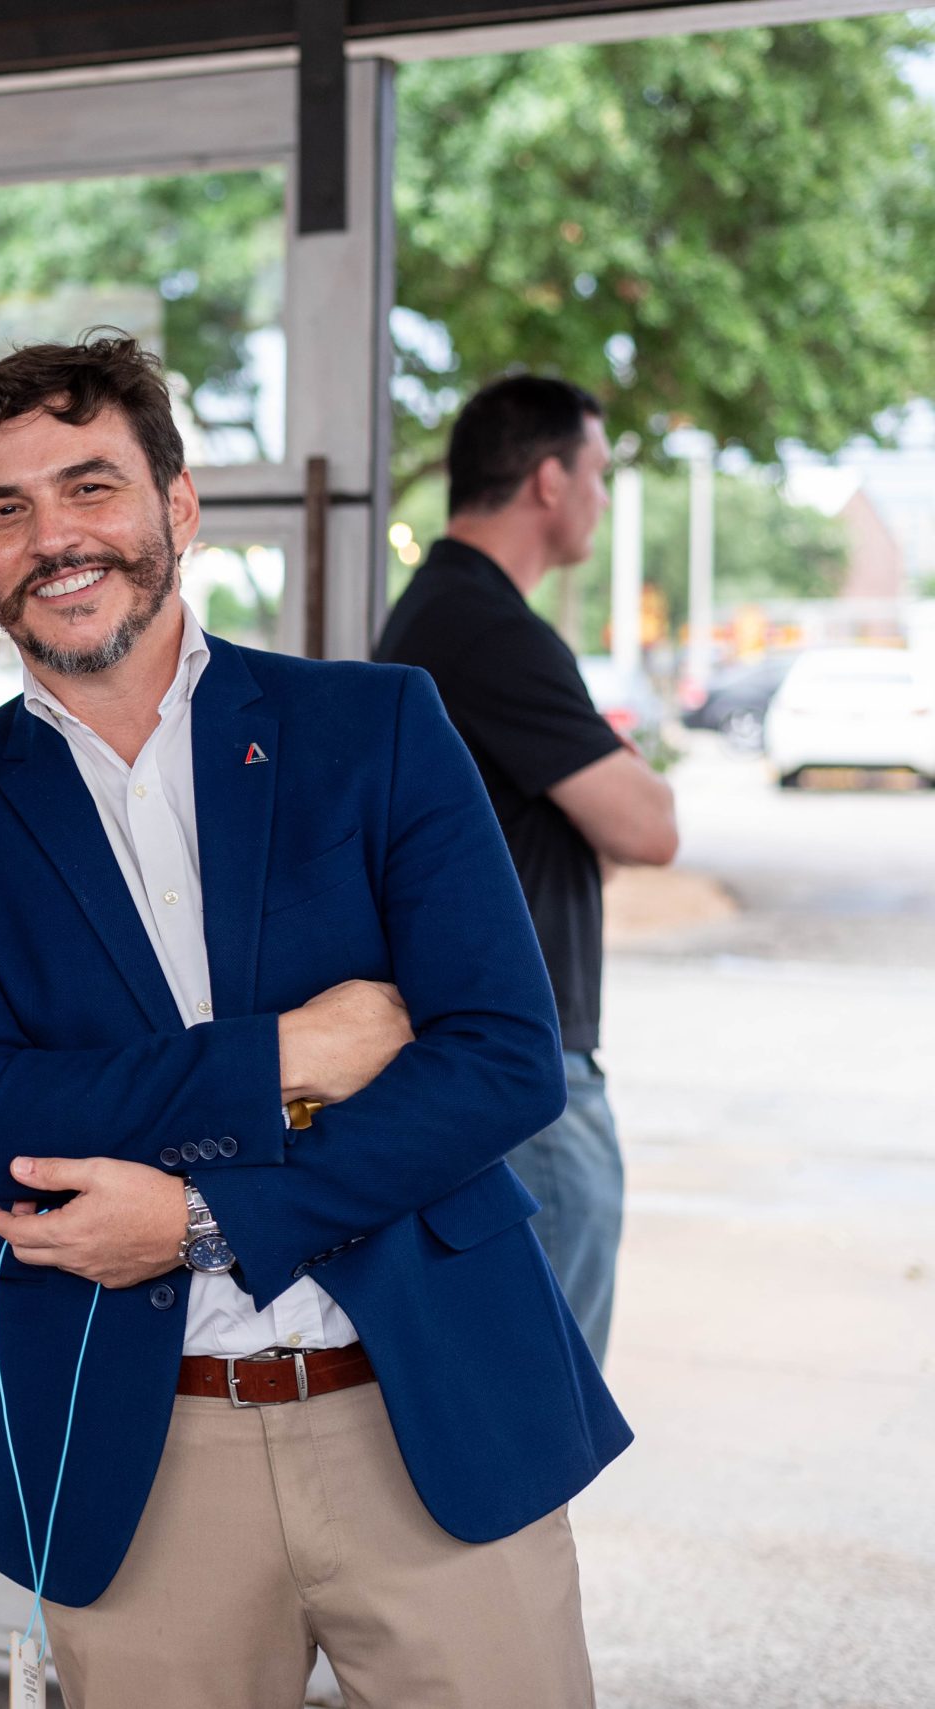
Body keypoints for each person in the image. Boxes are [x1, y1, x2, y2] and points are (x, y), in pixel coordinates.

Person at [0, 336, 629, 1708]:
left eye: (90, 486)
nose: (54, 538)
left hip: (429, 1405)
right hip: (140, 1454)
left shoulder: (374, 725)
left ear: (177, 502)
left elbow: (503, 1058)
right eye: (5, 509)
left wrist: (206, 1219)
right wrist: (289, 1055)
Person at [375, 375, 679, 1365]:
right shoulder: (487, 630)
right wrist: (613, 782)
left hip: (485, 1054)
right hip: (525, 1071)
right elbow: (648, 827)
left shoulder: (443, 612)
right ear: (548, 480)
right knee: (543, 1395)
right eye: (596, 472)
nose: (601, 496)